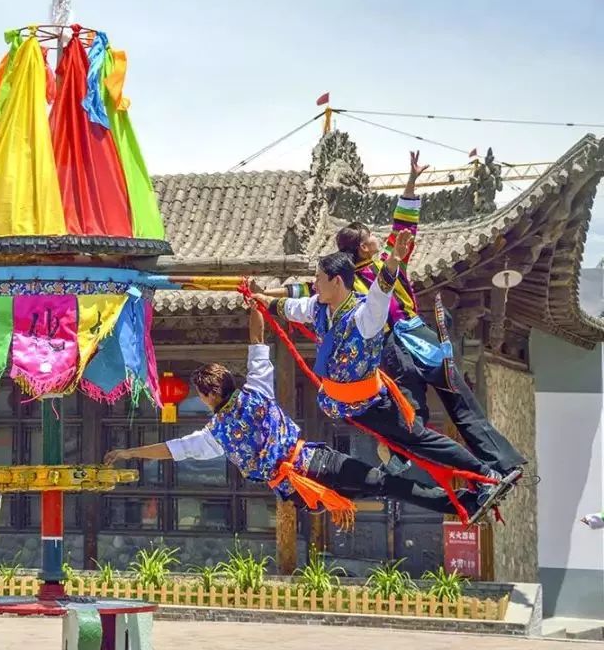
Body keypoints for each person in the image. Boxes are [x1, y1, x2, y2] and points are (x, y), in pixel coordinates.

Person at [265, 151, 526, 491]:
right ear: (361, 248)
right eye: (371, 236)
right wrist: (268, 294)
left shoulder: (376, 266)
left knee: (436, 414)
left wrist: (412, 182)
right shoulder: (353, 277)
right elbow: (303, 289)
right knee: (433, 414)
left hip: (409, 347)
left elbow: (403, 227)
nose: (378, 238)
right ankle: (482, 474)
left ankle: (485, 470)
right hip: (400, 353)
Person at [103, 298, 483, 522]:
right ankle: (461, 501)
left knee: (382, 487)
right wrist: (252, 301)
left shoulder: (214, 433)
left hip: (297, 492)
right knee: (385, 483)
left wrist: (128, 452)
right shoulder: (256, 390)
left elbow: (170, 450)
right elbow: (256, 340)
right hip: (315, 465)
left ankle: (458, 502)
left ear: (207, 396)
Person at [252, 233, 516, 525]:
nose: (315, 283)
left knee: (418, 438)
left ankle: (485, 475)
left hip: (372, 403)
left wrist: (393, 261)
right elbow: (289, 308)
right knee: (408, 444)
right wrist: (262, 299)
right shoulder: (318, 308)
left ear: (337, 281)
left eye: (319, 278)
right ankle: (472, 482)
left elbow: (381, 292)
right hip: (351, 409)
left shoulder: (365, 316)